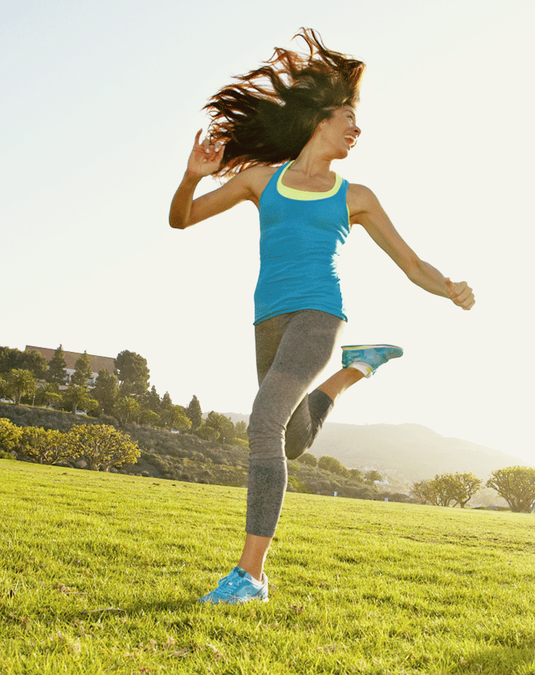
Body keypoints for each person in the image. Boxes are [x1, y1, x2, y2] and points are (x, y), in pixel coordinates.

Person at [169, 29, 475, 605]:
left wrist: (449, 288)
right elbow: (181, 220)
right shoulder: (261, 180)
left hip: (319, 315)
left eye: (360, 123)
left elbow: (411, 263)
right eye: (348, 119)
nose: (357, 130)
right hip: (268, 320)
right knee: (287, 442)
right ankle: (354, 372)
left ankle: (250, 577)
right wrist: (191, 176)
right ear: (318, 120)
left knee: (262, 423)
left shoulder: (355, 195)